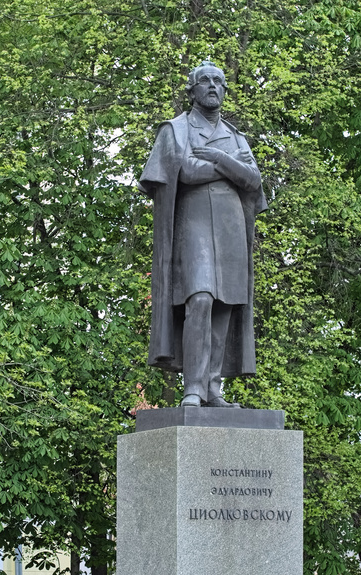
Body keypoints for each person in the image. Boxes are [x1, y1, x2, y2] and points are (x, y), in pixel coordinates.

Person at [139, 60, 267, 408]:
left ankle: (213, 389)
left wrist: (215, 157)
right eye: (205, 81)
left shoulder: (236, 136)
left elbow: (254, 181)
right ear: (192, 90)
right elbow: (186, 172)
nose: (213, 86)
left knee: (224, 305)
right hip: (192, 224)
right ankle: (192, 387)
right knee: (200, 299)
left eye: (219, 81)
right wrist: (231, 165)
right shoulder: (176, 130)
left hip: (230, 227)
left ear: (225, 90)